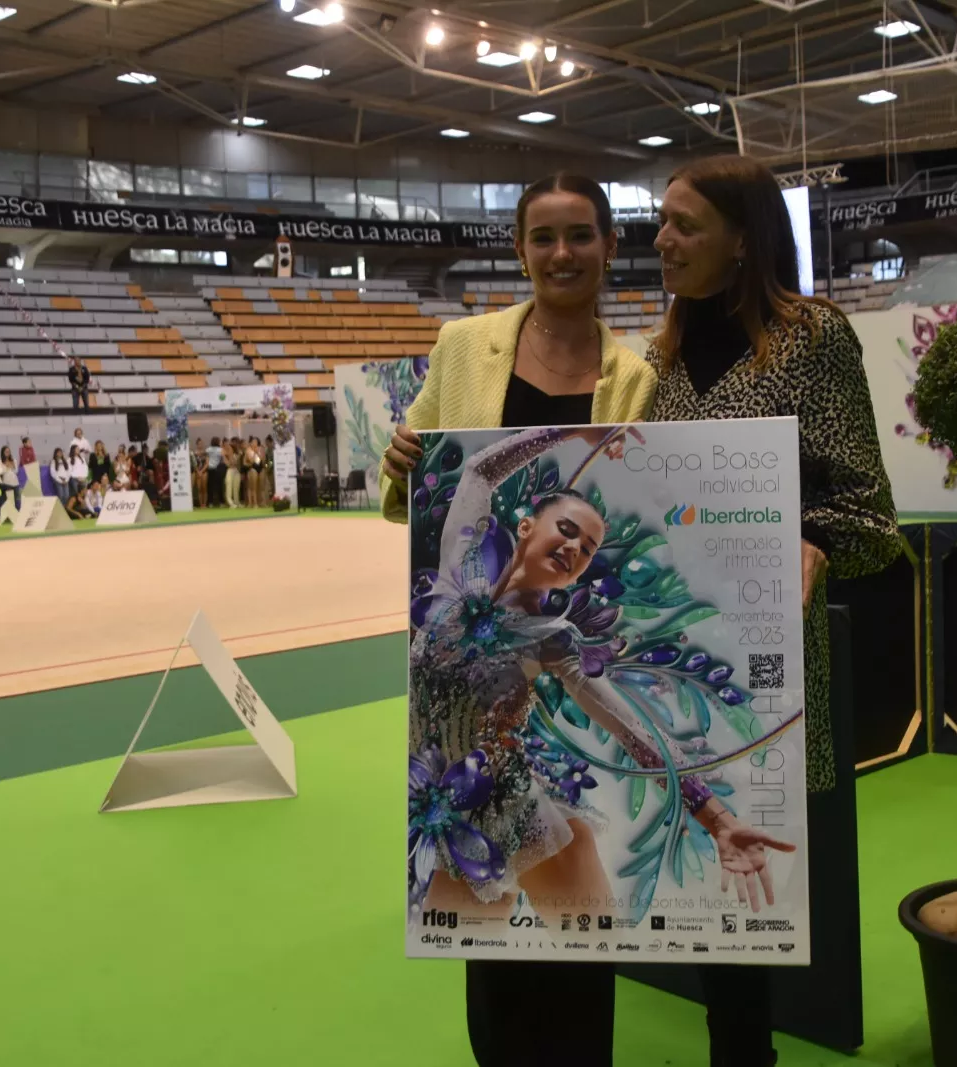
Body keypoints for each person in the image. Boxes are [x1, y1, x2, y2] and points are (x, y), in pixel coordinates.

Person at [381, 172, 660, 1067]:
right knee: (491, 980)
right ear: (520, 248)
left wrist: (652, 750)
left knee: (583, 959)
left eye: (581, 235)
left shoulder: (636, 374)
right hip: (446, 785)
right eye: (544, 237)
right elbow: (438, 479)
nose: (562, 254)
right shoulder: (464, 347)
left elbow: (598, 696)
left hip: (510, 785)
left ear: (610, 246)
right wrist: (401, 457)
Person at [646, 154, 901, 1067]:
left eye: (684, 224)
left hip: (765, 665)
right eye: (660, 222)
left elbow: (870, 514)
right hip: (662, 664)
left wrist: (815, 541)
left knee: (749, 900)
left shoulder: (814, 339)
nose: (662, 240)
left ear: (743, 239)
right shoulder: (654, 359)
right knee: (696, 880)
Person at [0, 441, 22, 512]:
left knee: (17, 500)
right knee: (9, 500)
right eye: (6, 452)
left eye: (9, 451)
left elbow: (16, 471)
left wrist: (12, 466)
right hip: (7, 483)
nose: (8, 453)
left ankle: (18, 513)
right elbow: (1, 472)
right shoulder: (0, 462)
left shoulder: (14, 460)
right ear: (3, 453)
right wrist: (6, 466)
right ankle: (9, 514)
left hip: (15, 483)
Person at [206, 436, 226, 507]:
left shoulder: (208, 449)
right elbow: (223, 458)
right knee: (219, 486)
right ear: (218, 442)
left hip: (210, 469)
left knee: (210, 486)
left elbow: (207, 459)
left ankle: (210, 502)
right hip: (218, 469)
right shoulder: (221, 450)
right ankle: (221, 502)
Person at [224, 438, 243, 509]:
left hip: (236, 471)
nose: (236, 444)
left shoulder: (238, 452)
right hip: (230, 470)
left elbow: (237, 463)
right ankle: (230, 503)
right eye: (234, 442)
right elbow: (230, 463)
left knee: (236, 487)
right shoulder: (228, 451)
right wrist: (230, 457)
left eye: (237, 442)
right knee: (229, 487)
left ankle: (236, 502)